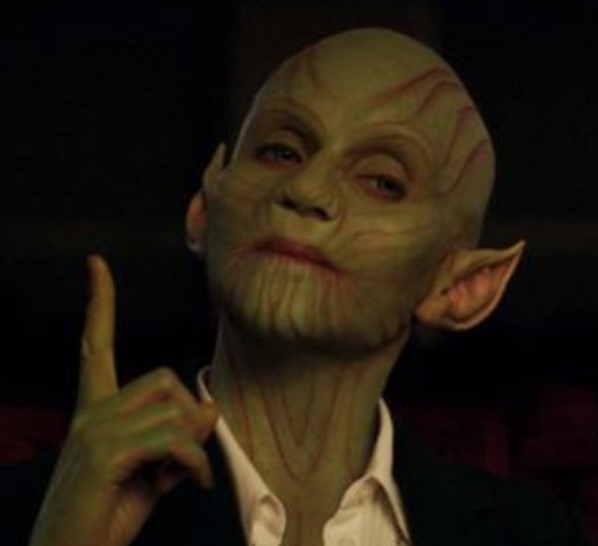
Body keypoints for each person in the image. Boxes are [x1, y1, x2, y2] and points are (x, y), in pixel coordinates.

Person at [0, 27, 591, 546]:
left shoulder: (535, 536)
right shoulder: (32, 513)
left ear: (462, 288)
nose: (306, 189)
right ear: (205, 208)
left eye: (382, 182)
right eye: (280, 151)